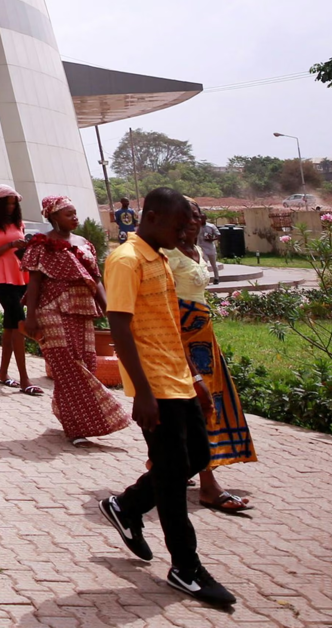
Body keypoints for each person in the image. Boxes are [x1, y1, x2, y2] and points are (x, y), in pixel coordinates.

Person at [99, 187, 236, 607]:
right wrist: (141, 392)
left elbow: (171, 324)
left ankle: (127, 506)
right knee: (173, 478)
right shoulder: (126, 260)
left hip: (178, 377)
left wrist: (195, 377)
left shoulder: (158, 257)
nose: (184, 234)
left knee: (196, 458)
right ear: (154, 217)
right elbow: (119, 326)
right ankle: (186, 568)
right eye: (178, 226)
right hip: (153, 384)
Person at [22, 196, 131, 446]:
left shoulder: (84, 244)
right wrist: (31, 316)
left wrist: (109, 309)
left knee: (86, 362)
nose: (74, 217)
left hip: (82, 308)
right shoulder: (41, 244)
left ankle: (70, 416)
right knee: (65, 363)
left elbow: (96, 279)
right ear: (53, 216)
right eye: (68, 214)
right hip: (51, 307)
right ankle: (79, 426)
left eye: (74, 213)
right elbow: (35, 282)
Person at [168, 200, 255, 512]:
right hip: (182, 337)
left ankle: (173, 466)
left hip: (204, 336)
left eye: (198, 215)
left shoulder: (195, 250)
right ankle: (208, 484)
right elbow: (165, 303)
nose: (195, 220)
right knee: (199, 404)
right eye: (187, 216)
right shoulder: (167, 254)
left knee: (208, 400)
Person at [0, 184, 42, 395]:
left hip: (20, 276)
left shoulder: (19, 223)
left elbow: (20, 250)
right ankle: (25, 379)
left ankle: (3, 373)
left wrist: (26, 246)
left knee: (10, 326)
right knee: (19, 324)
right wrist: (9, 245)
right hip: (0, 278)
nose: (11, 207)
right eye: (7, 204)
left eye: (14, 204)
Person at [197, 213, 222, 285]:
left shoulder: (211, 226)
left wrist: (212, 239)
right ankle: (206, 279)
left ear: (205, 218)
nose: (201, 220)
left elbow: (218, 235)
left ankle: (216, 278)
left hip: (210, 248)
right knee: (204, 264)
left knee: (213, 264)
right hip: (201, 248)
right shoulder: (197, 227)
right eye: (200, 218)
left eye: (202, 218)